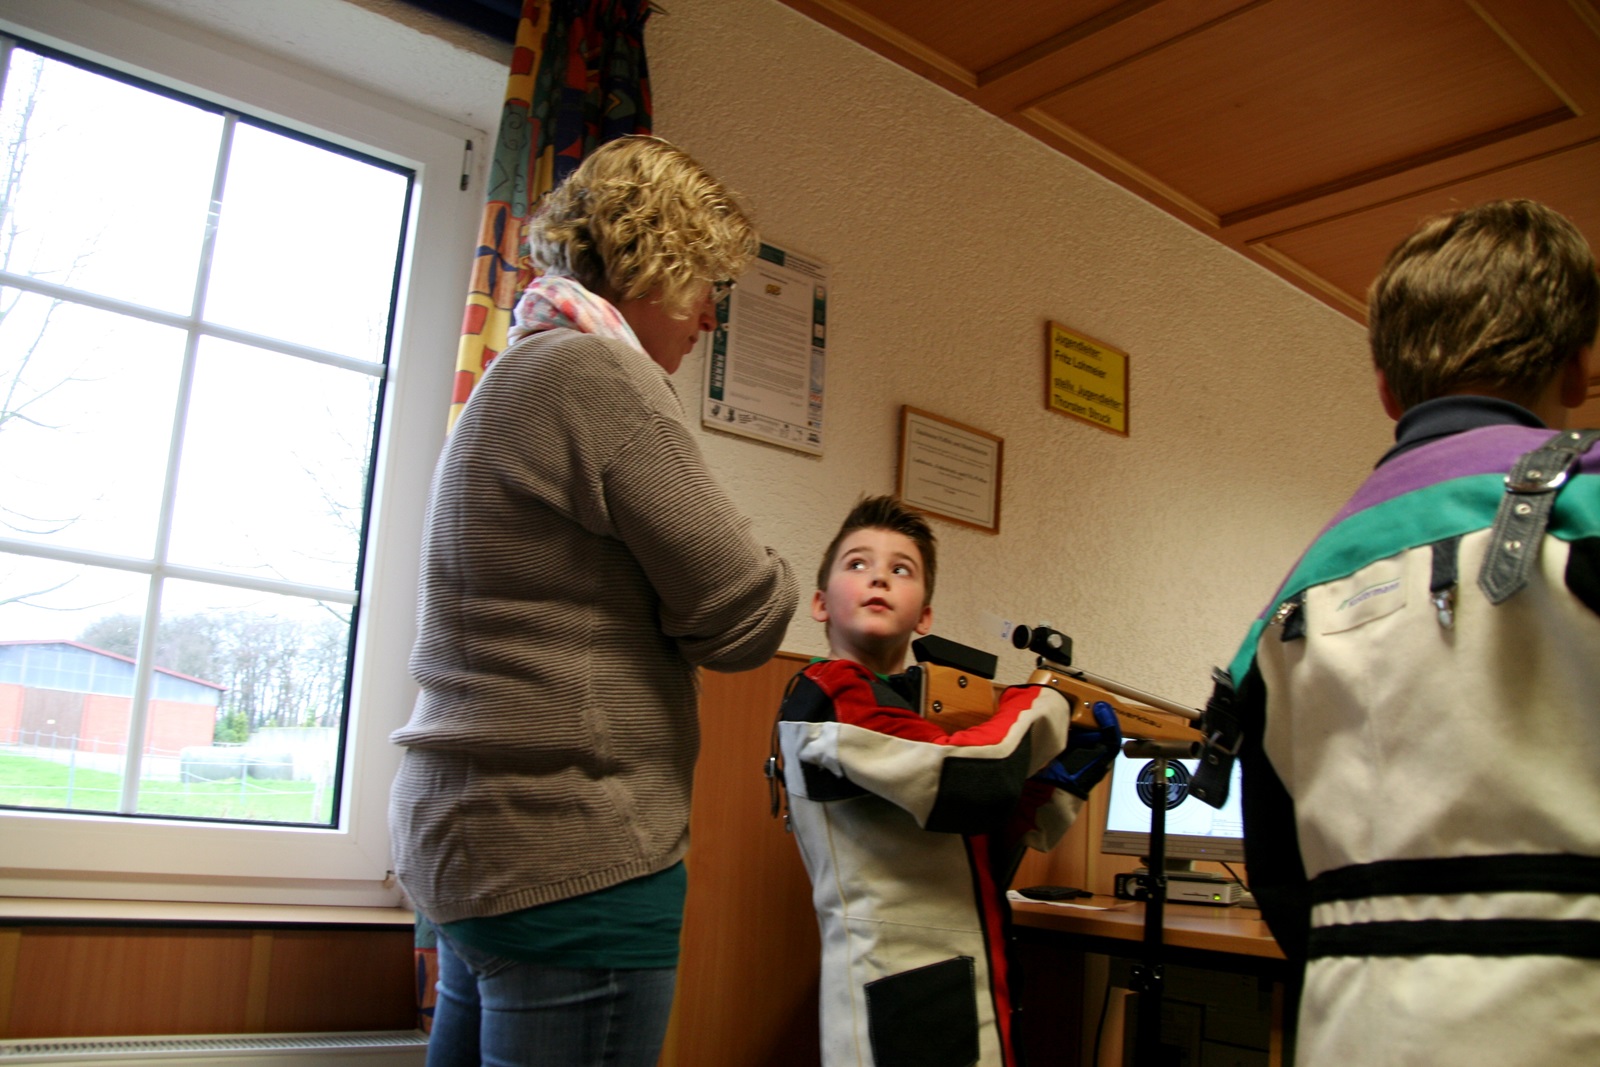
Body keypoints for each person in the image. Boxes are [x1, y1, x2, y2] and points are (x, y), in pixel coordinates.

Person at [388, 135, 798, 1067]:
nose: (709, 318)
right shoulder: (600, 375)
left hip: (470, 842)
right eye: (705, 285)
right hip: (571, 849)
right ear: (655, 261)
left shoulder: (519, 368)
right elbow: (747, 615)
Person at [1228, 199, 1600, 1065]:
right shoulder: (1584, 519)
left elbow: (1281, 881)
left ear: (1387, 390)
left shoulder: (1287, 604)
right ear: (1580, 369)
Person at [772, 495, 1121, 1067]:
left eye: (901, 569)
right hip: (902, 997)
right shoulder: (833, 692)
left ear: (925, 617)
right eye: (857, 563)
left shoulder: (914, 718)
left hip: (964, 980)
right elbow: (974, 782)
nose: (879, 576)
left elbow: (981, 841)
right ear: (820, 603)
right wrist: (1044, 700)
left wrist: (1061, 780)